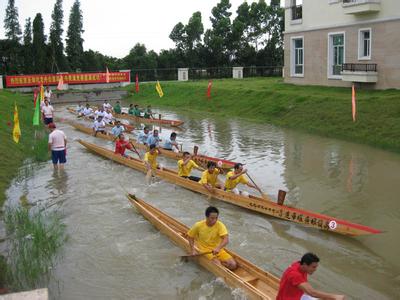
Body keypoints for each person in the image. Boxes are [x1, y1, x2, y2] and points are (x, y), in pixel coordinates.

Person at [277, 253, 345, 300]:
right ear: (304, 264)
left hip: (297, 296)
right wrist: (334, 297)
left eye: (316, 267)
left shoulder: (298, 264)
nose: (315, 269)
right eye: (313, 267)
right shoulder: (295, 275)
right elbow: (312, 292)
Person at [187, 206, 237, 270]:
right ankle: (220, 265)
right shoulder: (198, 225)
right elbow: (190, 237)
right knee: (219, 266)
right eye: (212, 218)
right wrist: (193, 250)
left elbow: (226, 239)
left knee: (233, 265)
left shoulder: (220, 225)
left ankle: (221, 265)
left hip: (218, 250)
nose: (214, 220)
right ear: (207, 217)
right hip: (204, 250)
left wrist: (218, 248)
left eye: (216, 218)